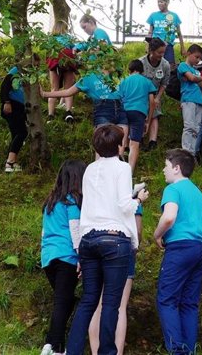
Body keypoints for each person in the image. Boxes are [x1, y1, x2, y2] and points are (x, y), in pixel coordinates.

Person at [66, 125, 147, 355]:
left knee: (89, 300)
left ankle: (72, 350)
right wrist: (139, 199)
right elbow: (124, 205)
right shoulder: (122, 168)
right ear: (120, 146)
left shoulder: (90, 169)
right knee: (111, 303)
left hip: (88, 239)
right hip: (114, 240)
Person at [154, 149, 202, 355]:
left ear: (176, 168)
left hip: (180, 248)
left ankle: (177, 350)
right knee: (189, 303)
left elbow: (169, 217)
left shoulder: (173, 189)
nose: (163, 170)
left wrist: (157, 235)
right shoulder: (199, 194)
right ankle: (189, 349)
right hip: (201, 248)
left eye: (166, 166)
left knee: (166, 299)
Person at [40, 160, 87, 355]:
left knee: (66, 300)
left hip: (48, 257)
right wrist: (81, 257)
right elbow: (75, 230)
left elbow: (43, 233)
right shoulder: (71, 201)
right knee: (62, 301)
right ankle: (55, 346)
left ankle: (51, 342)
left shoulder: (50, 202)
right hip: (66, 256)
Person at [88, 203, 145, 355]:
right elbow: (137, 232)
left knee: (98, 306)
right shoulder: (131, 197)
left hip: (95, 248)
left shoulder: (97, 190)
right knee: (119, 307)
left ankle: (96, 352)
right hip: (123, 250)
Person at [41, 68, 128, 154]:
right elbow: (68, 92)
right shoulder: (87, 78)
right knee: (102, 145)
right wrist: (44, 94)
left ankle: (120, 165)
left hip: (120, 108)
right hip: (103, 109)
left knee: (120, 146)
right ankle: (100, 167)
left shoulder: (112, 73)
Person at [0, 55, 39, 172]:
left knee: (16, 134)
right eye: (35, 65)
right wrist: (6, 102)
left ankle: (12, 161)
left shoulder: (29, 75)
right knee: (22, 132)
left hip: (20, 107)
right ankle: (10, 162)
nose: (36, 68)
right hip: (12, 105)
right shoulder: (16, 71)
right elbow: (5, 86)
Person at [117, 60, 157, 171]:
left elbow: (118, 98)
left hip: (124, 111)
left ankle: (118, 167)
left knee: (121, 141)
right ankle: (129, 172)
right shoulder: (147, 82)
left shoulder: (124, 81)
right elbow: (152, 102)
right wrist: (148, 120)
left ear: (129, 70)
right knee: (134, 144)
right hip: (139, 112)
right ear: (142, 70)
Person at [140, 38, 171, 151]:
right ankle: (140, 138)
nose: (162, 55)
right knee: (141, 114)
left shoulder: (165, 65)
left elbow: (164, 83)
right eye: (159, 52)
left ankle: (152, 142)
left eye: (163, 52)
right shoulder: (141, 63)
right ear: (151, 51)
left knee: (155, 114)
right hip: (141, 94)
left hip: (155, 94)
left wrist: (157, 98)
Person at [46, 21, 78, 122]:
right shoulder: (68, 38)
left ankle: (51, 115)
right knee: (68, 89)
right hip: (68, 62)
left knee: (54, 89)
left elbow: (48, 54)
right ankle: (68, 112)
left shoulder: (50, 39)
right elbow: (74, 51)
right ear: (64, 28)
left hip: (55, 63)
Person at [177, 44, 202, 156]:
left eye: (200, 58)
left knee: (197, 128)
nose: (198, 60)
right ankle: (186, 152)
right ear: (189, 54)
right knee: (189, 126)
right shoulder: (183, 65)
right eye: (196, 57)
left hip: (199, 100)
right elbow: (192, 78)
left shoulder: (196, 70)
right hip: (188, 99)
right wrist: (196, 79)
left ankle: (192, 153)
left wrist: (196, 79)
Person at [147, 0, 185, 65]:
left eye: (161, 2)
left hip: (168, 46)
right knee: (154, 65)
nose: (159, 4)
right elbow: (150, 32)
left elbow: (179, 33)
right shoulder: (153, 15)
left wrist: (182, 47)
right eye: (158, 2)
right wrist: (148, 46)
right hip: (155, 46)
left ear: (167, 2)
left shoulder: (174, 16)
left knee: (170, 66)